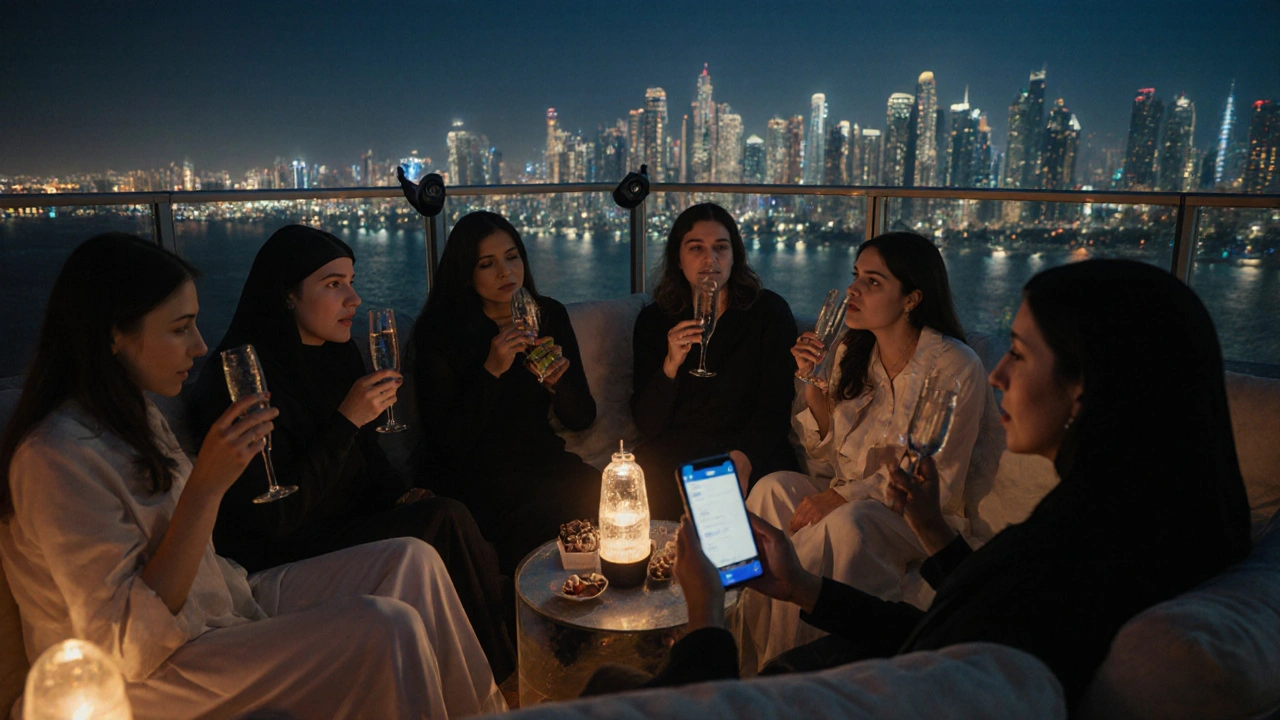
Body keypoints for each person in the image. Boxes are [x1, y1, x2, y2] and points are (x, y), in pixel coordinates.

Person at [617, 259, 1253, 711]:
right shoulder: (1110, 522)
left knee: (612, 688)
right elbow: (967, 624)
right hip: (897, 654)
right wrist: (808, 584)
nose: (999, 372)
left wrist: (705, 618)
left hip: (870, 688)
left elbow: (954, 645)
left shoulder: (1086, 557)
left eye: (1020, 353)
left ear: (1092, 386)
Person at [0, 233, 505, 719]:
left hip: (222, 601)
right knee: (385, 625)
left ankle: (487, 713)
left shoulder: (133, 416)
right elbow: (124, 646)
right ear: (114, 334)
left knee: (412, 559)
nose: (199, 346)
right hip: (151, 671)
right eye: (180, 329)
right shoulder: (55, 457)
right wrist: (206, 486)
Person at [192, 224, 515, 680]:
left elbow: (367, 458)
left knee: (443, 510)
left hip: (344, 524)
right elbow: (276, 517)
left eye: (351, 281)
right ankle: (501, 675)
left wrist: (400, 496)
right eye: (333, 284)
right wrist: (347, 419)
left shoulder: (337, 354)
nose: (353, 299)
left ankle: (495, 659)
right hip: (285, 547)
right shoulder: (242, 380)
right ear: (287, 296)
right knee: (444, 520)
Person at [738, 231, 1000, 668]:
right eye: (855, 276)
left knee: (848, 521)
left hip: (916, 515)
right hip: (848, 494)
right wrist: (813, 390)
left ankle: (811, 673)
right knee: (771, 489)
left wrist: (840, 496)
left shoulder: (954, 365)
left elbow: (936, 476)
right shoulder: (850, 352)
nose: (854, 290)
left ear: (912, 298)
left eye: (873, 282)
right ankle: (752, 663)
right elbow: (829, 460)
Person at [409, 211, 599, 573]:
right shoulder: (440, 331)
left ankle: (599, 608)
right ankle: (529, 621)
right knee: (534, 514)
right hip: (475, 471)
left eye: (512, 257)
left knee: (599, 490)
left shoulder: (548, 315)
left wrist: (557, 383)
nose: (506, 272)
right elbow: (449, 442)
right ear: (466, 271)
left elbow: (583, 418)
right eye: (487, 264)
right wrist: (492, 369)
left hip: (538, 456)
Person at [631, 203, 798, 519]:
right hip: (678, 451)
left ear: (735, 257)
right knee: (635, 479)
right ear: (678, 260)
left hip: (749, 447)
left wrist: (745, 455)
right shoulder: (655, 321)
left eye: (721, 247)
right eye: (696, 248)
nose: (710, 259)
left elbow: (776, 405)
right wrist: (670, 365)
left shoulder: (768, 313)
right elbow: (648, 424)